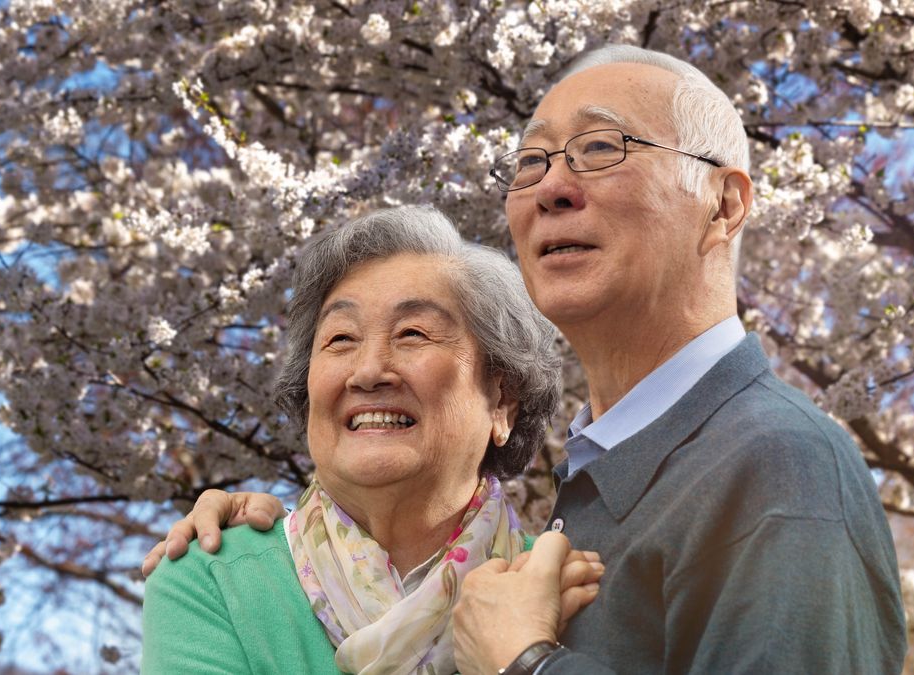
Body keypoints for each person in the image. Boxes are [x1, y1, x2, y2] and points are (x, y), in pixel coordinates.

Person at [144, 45, 908, 674]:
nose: (552, 187)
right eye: (532, 161)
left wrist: (526, 663)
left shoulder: (778, 466)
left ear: (726, 204)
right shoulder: (580, 508)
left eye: (602, 147)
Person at [140, 205, 603, 674]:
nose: (367, 372)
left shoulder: (566, 584)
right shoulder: (215, 580)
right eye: (341, 339)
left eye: (412, 333)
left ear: (502, 398)